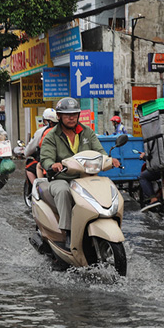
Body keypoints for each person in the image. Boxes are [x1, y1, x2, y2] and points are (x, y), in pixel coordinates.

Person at [40, 97, 121, 250]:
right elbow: (46, 158)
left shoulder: (87, 132)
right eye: (67, 115)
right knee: (63, 192)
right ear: (59, 116)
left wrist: (109, 160)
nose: (71, 118)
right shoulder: (51, 137)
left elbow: (99, 151)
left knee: (106, 187)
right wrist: (52, 164)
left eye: (74, 114)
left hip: (86, 178)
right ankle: (67, 232)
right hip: (61, 178)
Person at [25, 107, 58, 185]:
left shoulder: (42, 132)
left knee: (30, 168)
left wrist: (25, 152)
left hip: (48, 162)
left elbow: (30, 149)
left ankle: (37, 188)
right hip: (62, 162)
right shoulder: (65, 130)